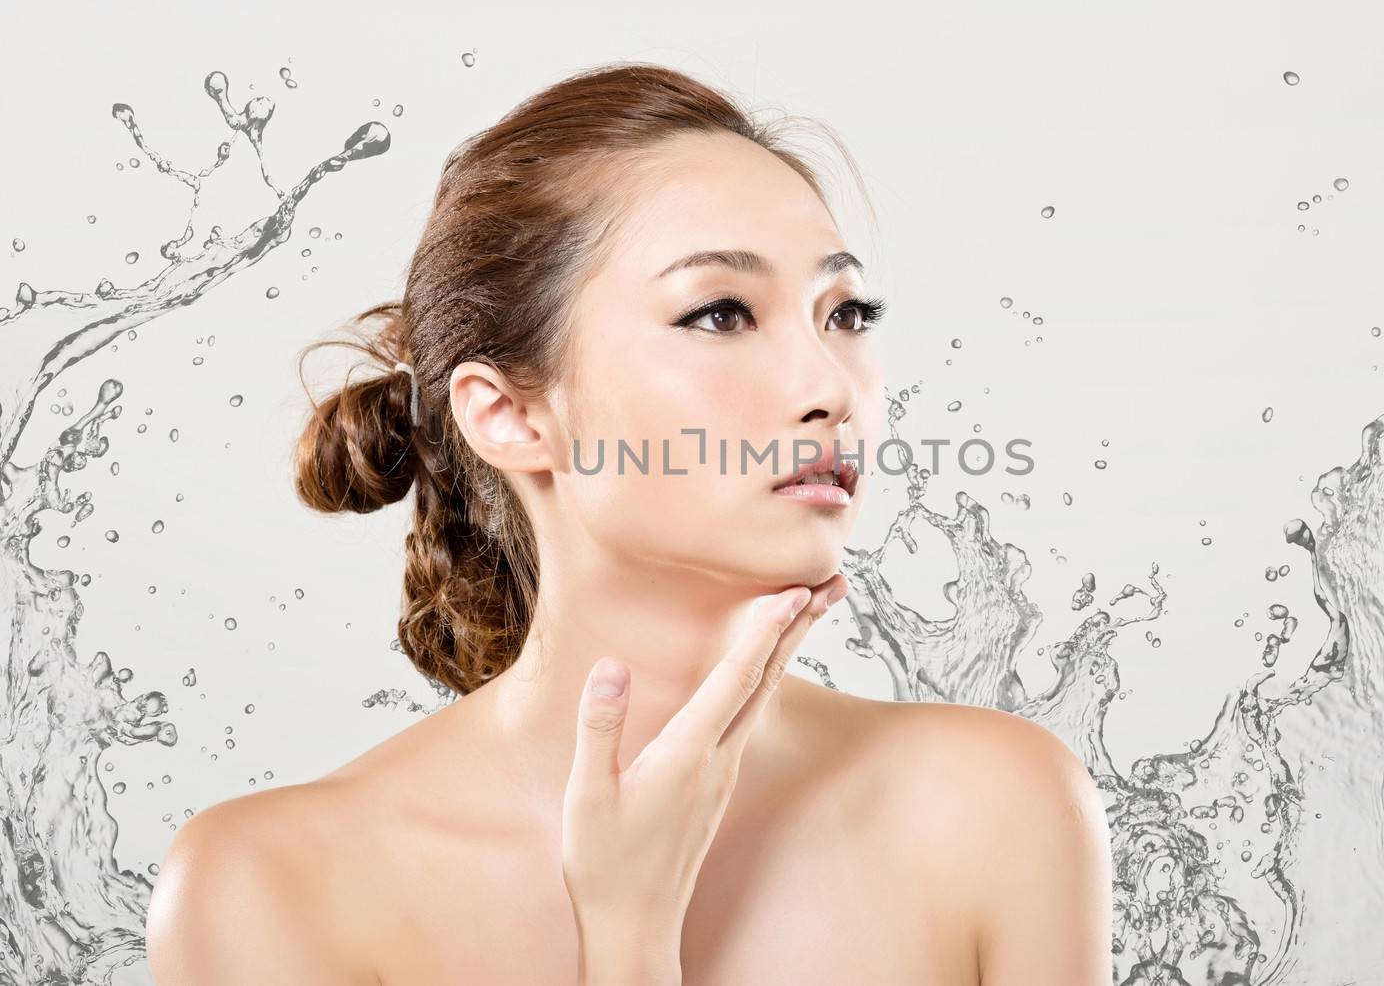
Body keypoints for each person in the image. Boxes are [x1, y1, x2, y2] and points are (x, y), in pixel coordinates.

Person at [143, 62, 1112, 985]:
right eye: (721, 313)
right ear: (510, 414)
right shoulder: (270, 885)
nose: (829, 387)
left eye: (844, 311)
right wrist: (627, 939)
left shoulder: (998, 808)